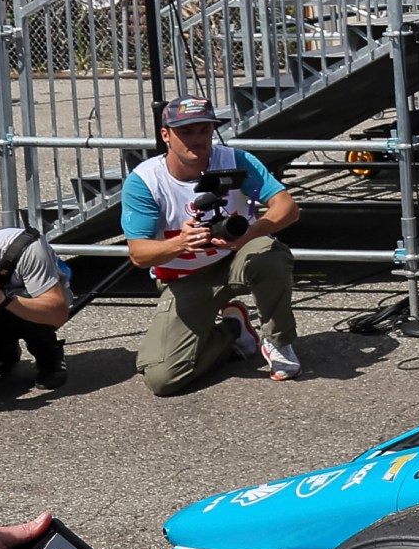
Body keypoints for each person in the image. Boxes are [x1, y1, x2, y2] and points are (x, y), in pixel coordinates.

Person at [124, 97, 301, 394]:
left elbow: (288, 208)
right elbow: (138, 255)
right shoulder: (145, 180)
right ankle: (233, 330)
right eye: (187, 132)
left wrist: (251, 232)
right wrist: (181, 242)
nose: (197, 139)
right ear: (166, 135)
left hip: (238, 258)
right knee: (162, 379)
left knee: (270, 253)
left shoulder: (235, 160)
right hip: (186, 277)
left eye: (204, 130)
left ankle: (279, 341)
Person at [0, 220, 73, 390]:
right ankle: (4, 351)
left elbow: (56, 312)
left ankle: (49, 355)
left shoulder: (25, 247)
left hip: (34, 298)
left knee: (20, 299)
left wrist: (3, 299)